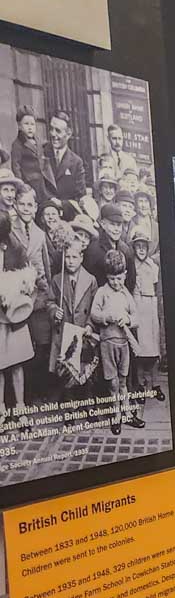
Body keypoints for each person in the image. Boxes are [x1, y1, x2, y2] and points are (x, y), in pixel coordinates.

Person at [91, 249, 142, 436]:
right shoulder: (102, 292)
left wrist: (127, 320)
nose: (116, 283)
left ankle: (127, 413)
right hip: (107, 345)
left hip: (123, 345)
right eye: (112, 279)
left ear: (125, 275)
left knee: (123, 382)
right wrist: (107, 316)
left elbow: (136, 317)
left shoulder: (126, 294)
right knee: (112, 384)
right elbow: (94, 314)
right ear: (107, 276)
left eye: (119, 278)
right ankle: (116, 416)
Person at [11, 183, 52, 403]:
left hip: (38, 298)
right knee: (18, 350)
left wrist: (47, 292)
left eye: (30, 205)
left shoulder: (40, 234)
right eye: (22, 204)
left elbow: (45, 265)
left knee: (40, 344)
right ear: (15, 205)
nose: (26, 208)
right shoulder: (9, 229)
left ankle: (37, 390)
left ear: (36, 207)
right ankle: (20, 398)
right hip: (16, 299)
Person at [47, 237, 98, 398]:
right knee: (67, 372)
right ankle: (70, 413)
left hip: (84, 333)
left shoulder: (90, 280)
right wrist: (54, 310)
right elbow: (49, 301)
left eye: (74, 257)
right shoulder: (57, 279)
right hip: (65, 333)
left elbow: (94, 308)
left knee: (86, 372)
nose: (70, 261)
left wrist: (90, 325)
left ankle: (90, 408)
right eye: (67, 257)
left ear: (81, 258)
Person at [0, 211, 35, 429]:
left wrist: (18, 292)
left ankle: (21, 408)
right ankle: (1, 411)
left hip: (15, 315)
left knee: (16, 364)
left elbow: (29, 278)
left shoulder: (16, 247)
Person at [130, 232, 162, 403]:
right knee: (140, 349)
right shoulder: (132, 265)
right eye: (138, 246)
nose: (141, 249)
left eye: (144, 246)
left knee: (153, 350)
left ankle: (155, 385)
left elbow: (157, 288)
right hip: (137, 304)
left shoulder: (153, 266)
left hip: (150, 306)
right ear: (134, 248)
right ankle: (140, 385)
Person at [9, 106, 54, 203]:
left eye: (32, 124)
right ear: (19, 126)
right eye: (26, 124)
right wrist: (22, 186)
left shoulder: (38, 141)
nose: (30, 127)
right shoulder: (17, 144)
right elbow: (16, 167)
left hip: (43, 183)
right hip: (30, 183)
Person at [86, 202, 136, 290]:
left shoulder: (126, 250)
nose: (116, 229)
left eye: (119, 225)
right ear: (103, 224)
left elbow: (131, 281)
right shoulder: (93, 250)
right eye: (112, 224)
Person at [43, 110, 86, 204]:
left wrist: (62, 204)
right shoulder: (41, 154)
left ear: (68, 134)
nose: (53, 134)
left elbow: (80, 196)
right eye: (51, 129)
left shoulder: (76, 162)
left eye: (58, 131)